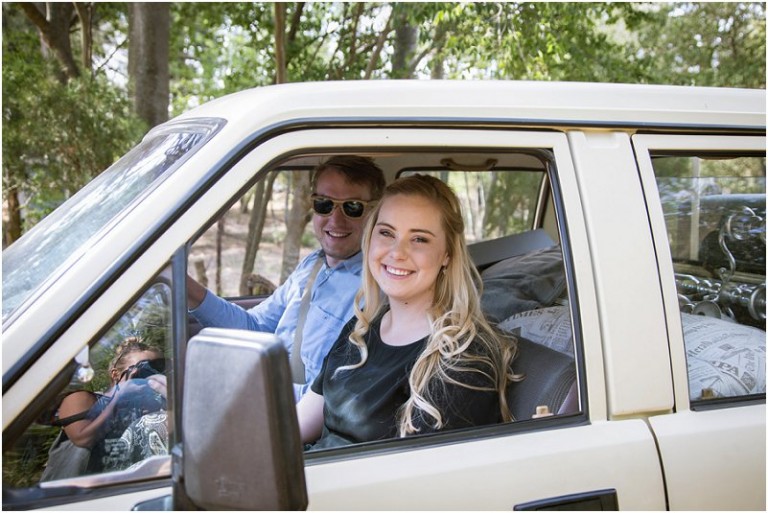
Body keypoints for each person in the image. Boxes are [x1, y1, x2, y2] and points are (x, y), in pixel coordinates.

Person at [298, 175, 521, 449]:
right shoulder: (362, 327)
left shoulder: (462, 362)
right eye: (386, 233)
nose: (397, 252)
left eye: (419, 239)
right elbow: (300, 423)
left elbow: (419, 473)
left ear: (447, 254)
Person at [187, 156, 386, 399]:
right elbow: (254, 328)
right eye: (324, 204)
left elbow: (336, 396)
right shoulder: (312, 265)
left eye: (352, 207)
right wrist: (184, 287)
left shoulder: (376, 288)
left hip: (292, 415)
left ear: (375, 212)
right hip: (267, 394)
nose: (336, 220)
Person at [43, 338, 167, 479]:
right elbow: (83, 439)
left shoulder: (147, 408)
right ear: (115, 374)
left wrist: (169, 397)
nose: (148, 378)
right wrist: (119, 398)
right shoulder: (83, 399)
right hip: (69, 490)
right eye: (143, 371)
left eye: (157, 369)